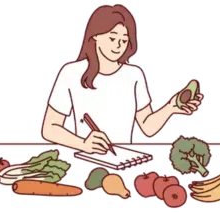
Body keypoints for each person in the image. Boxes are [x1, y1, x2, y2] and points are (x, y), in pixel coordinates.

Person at [41, 4, 203, 155]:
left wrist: (171, 107)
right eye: (112, 38)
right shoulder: (71, 72)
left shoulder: (134, 75)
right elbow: (49, 128)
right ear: (95, 36)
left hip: (123, 158)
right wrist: (83, 143)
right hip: (85, 159)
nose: (118, 45)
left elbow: (147, 126)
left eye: (124, 40)